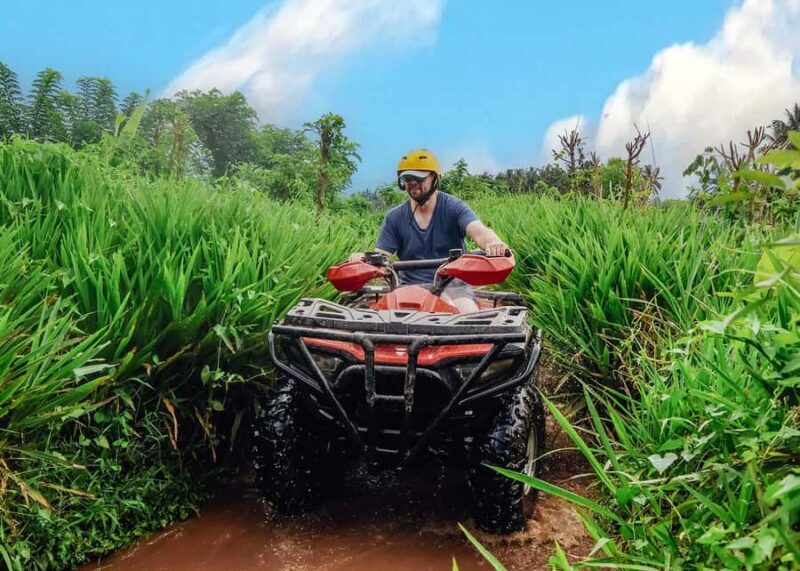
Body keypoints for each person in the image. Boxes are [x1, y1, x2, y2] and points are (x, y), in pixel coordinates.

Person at [349, 148, 508, 313]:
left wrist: (493, 243)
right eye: (407, 178)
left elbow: (479, 231)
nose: (412, 183)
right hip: (409, 288)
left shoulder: (453, 207)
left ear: (435, 178)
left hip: (453, 285)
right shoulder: (395, 217)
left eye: (418, 177)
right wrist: (363, 258)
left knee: (467, 314)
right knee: (388, 322)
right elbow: (381, 257)